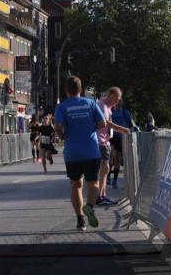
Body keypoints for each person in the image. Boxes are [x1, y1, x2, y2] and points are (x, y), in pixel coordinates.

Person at [54, 76, 107, 231]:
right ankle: (89, 206)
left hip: (72, 152)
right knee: (93, 183)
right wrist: (89, 128)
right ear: (81, 89)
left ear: (66, 90)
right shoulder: (90, 103)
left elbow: (57, 126)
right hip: (91, 150)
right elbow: (102, 123)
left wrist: (63, 136)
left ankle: (80, 220)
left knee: (76, 185)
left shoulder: (62, 107)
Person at [95, 87, 131, 206]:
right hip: (101, 141)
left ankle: (103, 195)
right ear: (110, 95)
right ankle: (99, 196)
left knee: (105, 169)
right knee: (104, 168)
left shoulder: (107, 106)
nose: (118, 101)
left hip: (105, 140)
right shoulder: (102, 105)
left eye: (119, 99)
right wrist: (122, 129)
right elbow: (106, 122)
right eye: (116, 98)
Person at [109, 102, 136, 188]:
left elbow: (131, 126)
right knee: (111, 156)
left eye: (119, 101)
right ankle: (108, 176)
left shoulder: (125, 112)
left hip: (121, 138)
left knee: (116, 159)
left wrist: (131, 136)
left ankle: (114, 180)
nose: (118, 103)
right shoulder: (110, 111)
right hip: (111, 137)